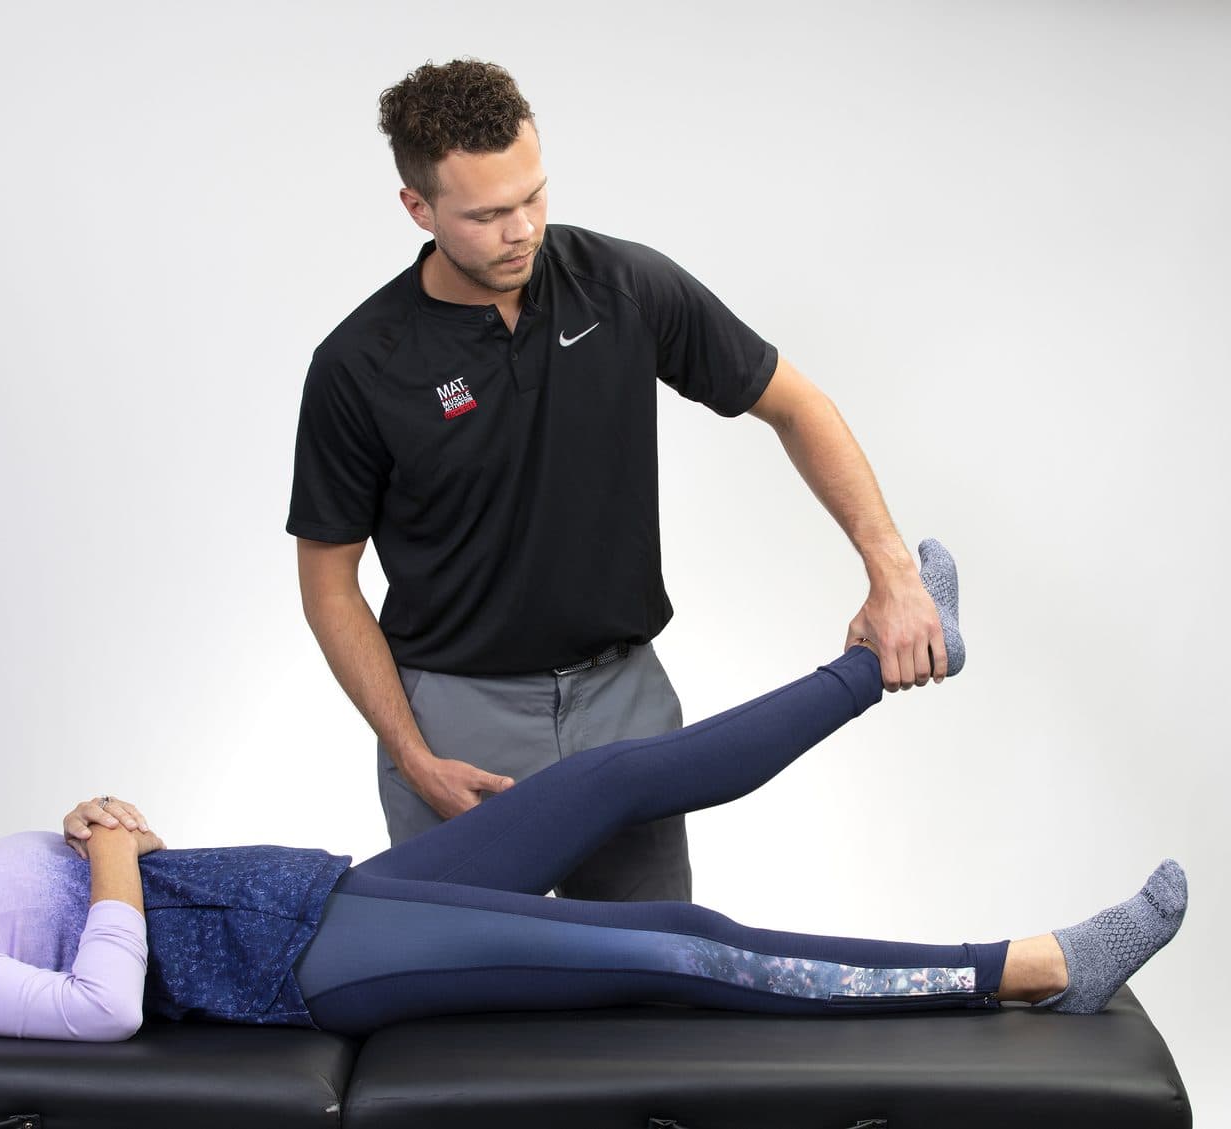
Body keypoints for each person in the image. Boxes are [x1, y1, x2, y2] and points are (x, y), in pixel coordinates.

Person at [0, 544, 1186, 1040]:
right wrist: (116, 864)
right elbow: (101, 1005)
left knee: (604, 776)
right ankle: (1025, 968)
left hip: (316, 899)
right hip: (312, 967)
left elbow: (111, 916)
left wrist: (109, 833)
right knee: (680, 947)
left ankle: (892, 659)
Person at [288, 59, 951, 903]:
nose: (521, 229)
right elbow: (329, 587)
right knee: (475, 1015)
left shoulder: (623, 285)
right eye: (487, 214)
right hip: (458, 718)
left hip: (622, 701)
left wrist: (892, 571)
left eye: (533, 196)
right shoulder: (360, 364)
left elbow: (796, 403)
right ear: (418, 209)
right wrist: (413, 753)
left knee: (648, 1001)